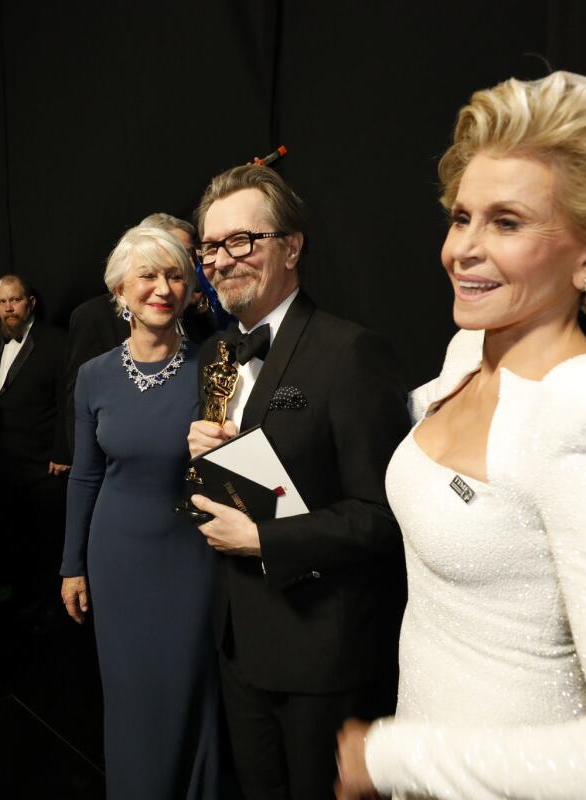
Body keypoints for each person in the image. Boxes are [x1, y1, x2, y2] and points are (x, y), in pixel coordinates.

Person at [334, 71, 586, 800]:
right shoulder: (468, 356)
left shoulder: (585, 420)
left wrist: (392, 758)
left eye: (507, 223)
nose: (463, 249)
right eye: (462, 217)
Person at [186, 165, 409, 799]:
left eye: (242, 240)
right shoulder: (216, 354)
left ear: (292, 245)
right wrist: (201, 458)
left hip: (319, 652)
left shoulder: (350, 353)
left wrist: (264, 539)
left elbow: (383, 517)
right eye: (210, 246)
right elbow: (239, 479)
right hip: (237, 642)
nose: (223, 260)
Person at [60, 224, 220, 799]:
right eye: (147, 275)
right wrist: (71, 565)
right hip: (117, 556)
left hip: (192, 554)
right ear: (120, 292)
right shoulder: (94, 376)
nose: (161, 287)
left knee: (188, 688)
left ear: (190, 290)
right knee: (128, 694)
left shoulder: (215, 367)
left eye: (175, 275)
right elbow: (85, 475)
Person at [63, 212, 217, 457]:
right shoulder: (93, 322)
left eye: (188, 255)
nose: (164, 288)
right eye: (149, 273)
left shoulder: (203, 331)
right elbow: (81, 416)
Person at [0, 274, 70, 618]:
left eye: (14, 300)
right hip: (9, 468)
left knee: (48, 548)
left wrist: (64, 450)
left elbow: (68, 399)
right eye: (2, 302)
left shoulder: (56, 342)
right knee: (19, 546)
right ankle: (26, 613)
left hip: (45, 467)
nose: (8, 308)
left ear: (30, 302)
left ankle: (53, 616)